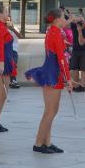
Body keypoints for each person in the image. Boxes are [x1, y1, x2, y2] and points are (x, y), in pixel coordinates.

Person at [25, 9, 73, 154]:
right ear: (57, 20)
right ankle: (39, 144)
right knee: (50, 111)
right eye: (64, 18)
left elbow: (60, 56)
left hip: (51, 72)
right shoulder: (56, 33)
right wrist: (68, 79)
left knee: (51, 110)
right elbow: (61, 59)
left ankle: (46, 142)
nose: (66, 20)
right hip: (53, 73)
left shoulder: (52, 31)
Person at [70, 18, 85, 92]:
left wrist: (80, 31)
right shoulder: (74, 26)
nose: (79, 24)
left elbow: (81, 43)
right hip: (75, 50)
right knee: (74, 68)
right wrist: (75, 19)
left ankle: (82, 86)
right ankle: (76, 85)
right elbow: (68, 21)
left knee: (83, 68)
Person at [6, 16, 21, 89]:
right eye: (6, 20)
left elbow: (21, 36)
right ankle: (13, 81)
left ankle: (13, 81)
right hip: (6, 50)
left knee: (13, 63)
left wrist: (13, 29)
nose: (8, 22)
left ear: (11, 21)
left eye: (9, 20)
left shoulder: (15, 29)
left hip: (14, 50)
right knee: (11, 63)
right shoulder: (4, 29)